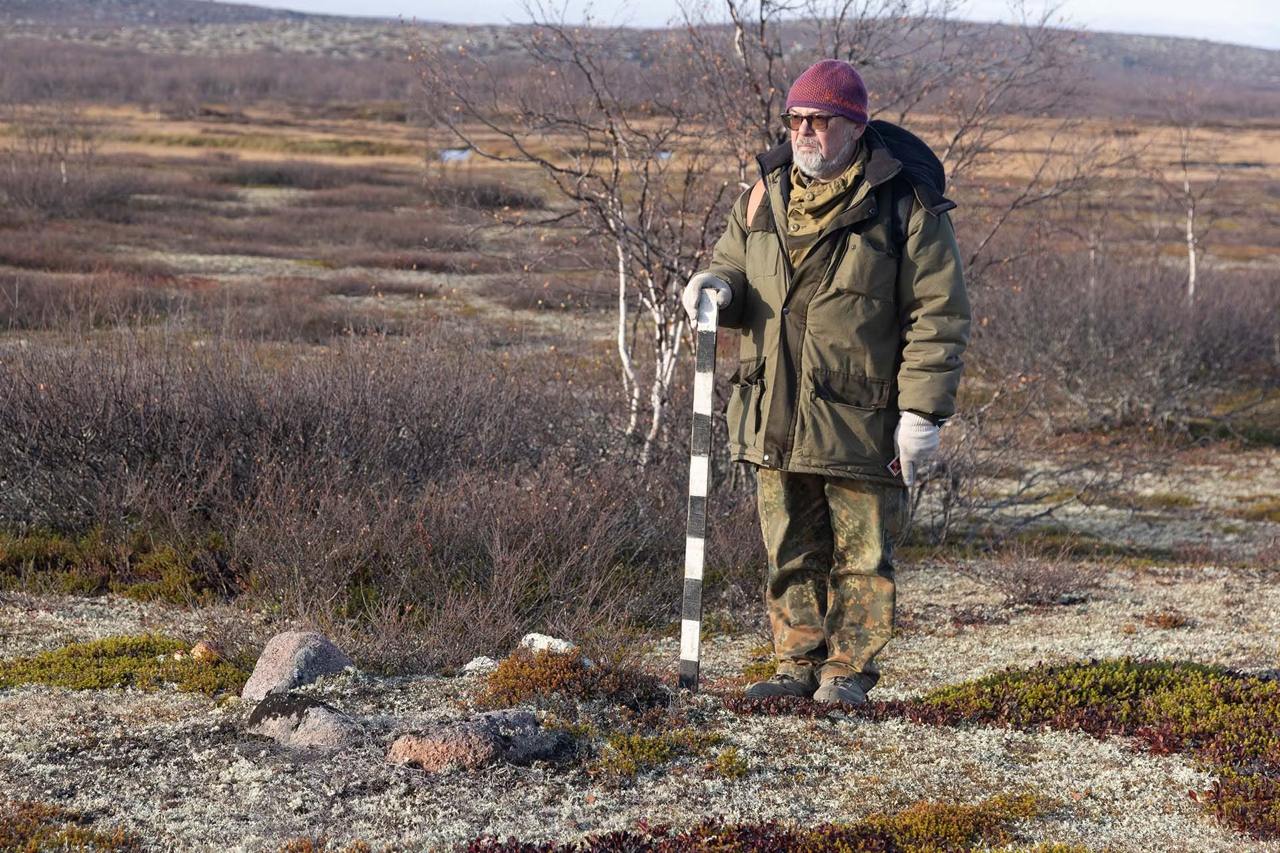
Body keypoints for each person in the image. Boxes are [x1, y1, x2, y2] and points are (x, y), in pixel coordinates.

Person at [682, 59, 970, 704]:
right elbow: (734, 265)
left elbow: (939, 314)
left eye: (819, 121)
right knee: (788, 549)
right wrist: (716, 286)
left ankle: (848, 674)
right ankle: (795, 665)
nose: (805, 132)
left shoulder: (905, 204)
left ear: (854, 126)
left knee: (862, 557)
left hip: (862, 413)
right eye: (796, 120)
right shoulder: (762, 193)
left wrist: (922, 414)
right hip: (773, 408)